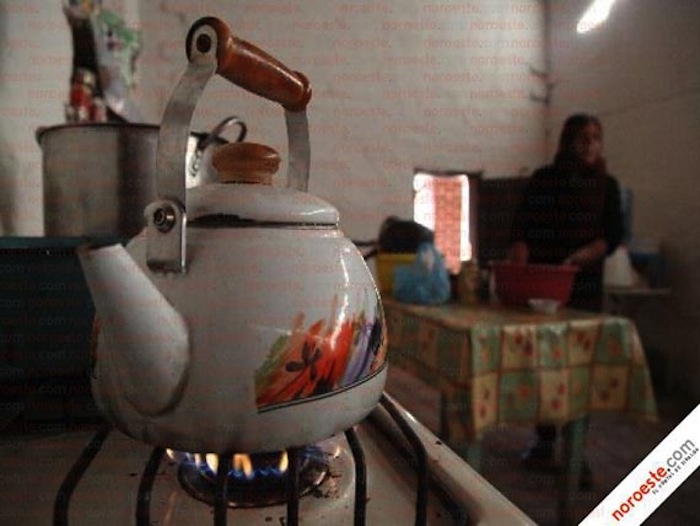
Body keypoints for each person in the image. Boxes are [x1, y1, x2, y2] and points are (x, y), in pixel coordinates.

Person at [508, 113, 624, 489]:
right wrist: (522, 259)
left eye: (596, 136)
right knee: (544, 365)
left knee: (580, 371)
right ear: (567, 141)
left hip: (584, 291)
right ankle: (543, 440)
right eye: (582, 136)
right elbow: (521, 227)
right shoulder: (545, 179)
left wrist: (581, 258)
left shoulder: (608, 186)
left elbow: (612, 237)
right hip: (544, 286)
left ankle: (576, 451)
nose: (589, 143)